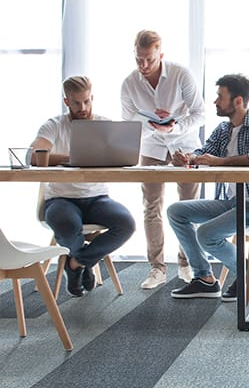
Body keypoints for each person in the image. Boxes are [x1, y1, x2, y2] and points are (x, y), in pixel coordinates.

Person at [166, 73, 249, 300]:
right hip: (231, 203)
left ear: (238, 101)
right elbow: (205, 151)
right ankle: (204, 278)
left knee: (206, 234)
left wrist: (221, 161)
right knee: (176, 211)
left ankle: (247, 273)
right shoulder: (224, 129)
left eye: (220, 97)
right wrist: (189, 158)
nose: (215, 101)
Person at [29, 76, 135, 298]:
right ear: (66, 102)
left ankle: (76, 263)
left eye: (86, 101)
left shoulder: (104, 125)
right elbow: (33, 156)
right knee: (67, 224)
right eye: (76, 103)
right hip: (60, 198)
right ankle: (85, 264)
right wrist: (71, 157)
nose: (83, 108)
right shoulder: (54, 125)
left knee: (126, 224)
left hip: (97, 198)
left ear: (92, 98)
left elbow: (122, 155)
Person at [120, 29, 205, 290]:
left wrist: (174, 126)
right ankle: (157, 268)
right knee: (151, 206)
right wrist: (152, 125)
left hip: (185, 145)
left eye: (149, 59)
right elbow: (128, 123)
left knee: (189, 207)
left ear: (161, 55)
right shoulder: (129, 83)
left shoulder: (181, 74)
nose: (143, 65)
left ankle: (187, 263)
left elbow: (200, 113)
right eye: (139, 59)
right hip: (151, 147)